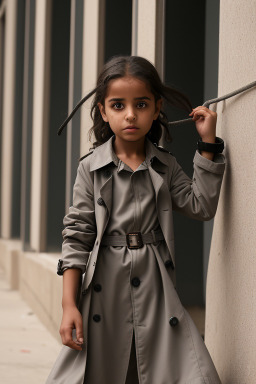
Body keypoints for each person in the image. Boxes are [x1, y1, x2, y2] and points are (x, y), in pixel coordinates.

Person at [46, 55, 225, 384]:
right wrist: (69, 305)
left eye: (141, 104)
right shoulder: (90, 168)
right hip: (104, 284)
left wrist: (208, 144)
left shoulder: (165, 166)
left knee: (180, 370)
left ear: (157, 109)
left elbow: (201, 206)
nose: (130, 115)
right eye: (118, 105)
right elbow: (77, 237)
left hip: (156, 284)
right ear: (103, 110)